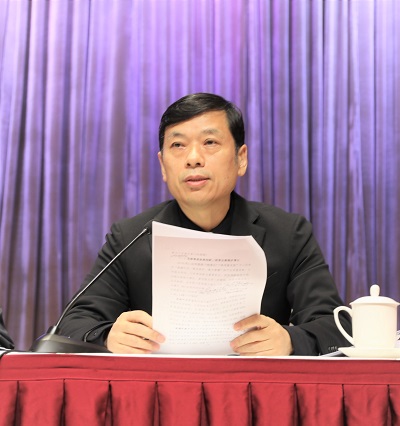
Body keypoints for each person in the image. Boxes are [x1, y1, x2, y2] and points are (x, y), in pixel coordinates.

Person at [58, 93, 351, 356]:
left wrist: (289, 340)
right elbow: (72, 324)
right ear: (162, 165)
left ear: (241, 158)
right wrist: (108, 336)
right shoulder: (130, 237)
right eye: (178, 145)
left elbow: (337, 327)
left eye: (210, 142)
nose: (193, 159)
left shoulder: (288, 234)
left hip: (256, 390)